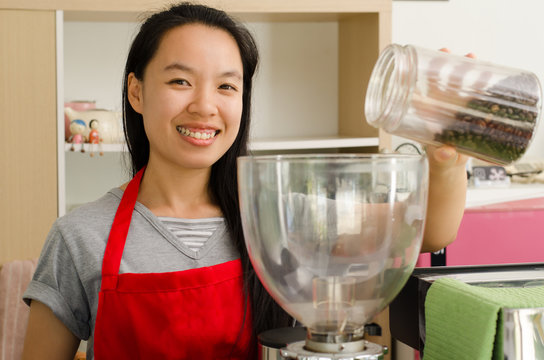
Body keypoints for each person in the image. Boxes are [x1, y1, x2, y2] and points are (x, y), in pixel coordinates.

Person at [21, 2, 468, 359]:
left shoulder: (283, 218)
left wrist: (446, 158)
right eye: (180, 80)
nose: (204, 106)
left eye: (226, 87)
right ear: (136, 91)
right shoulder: (79, 236)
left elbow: (427, 231)